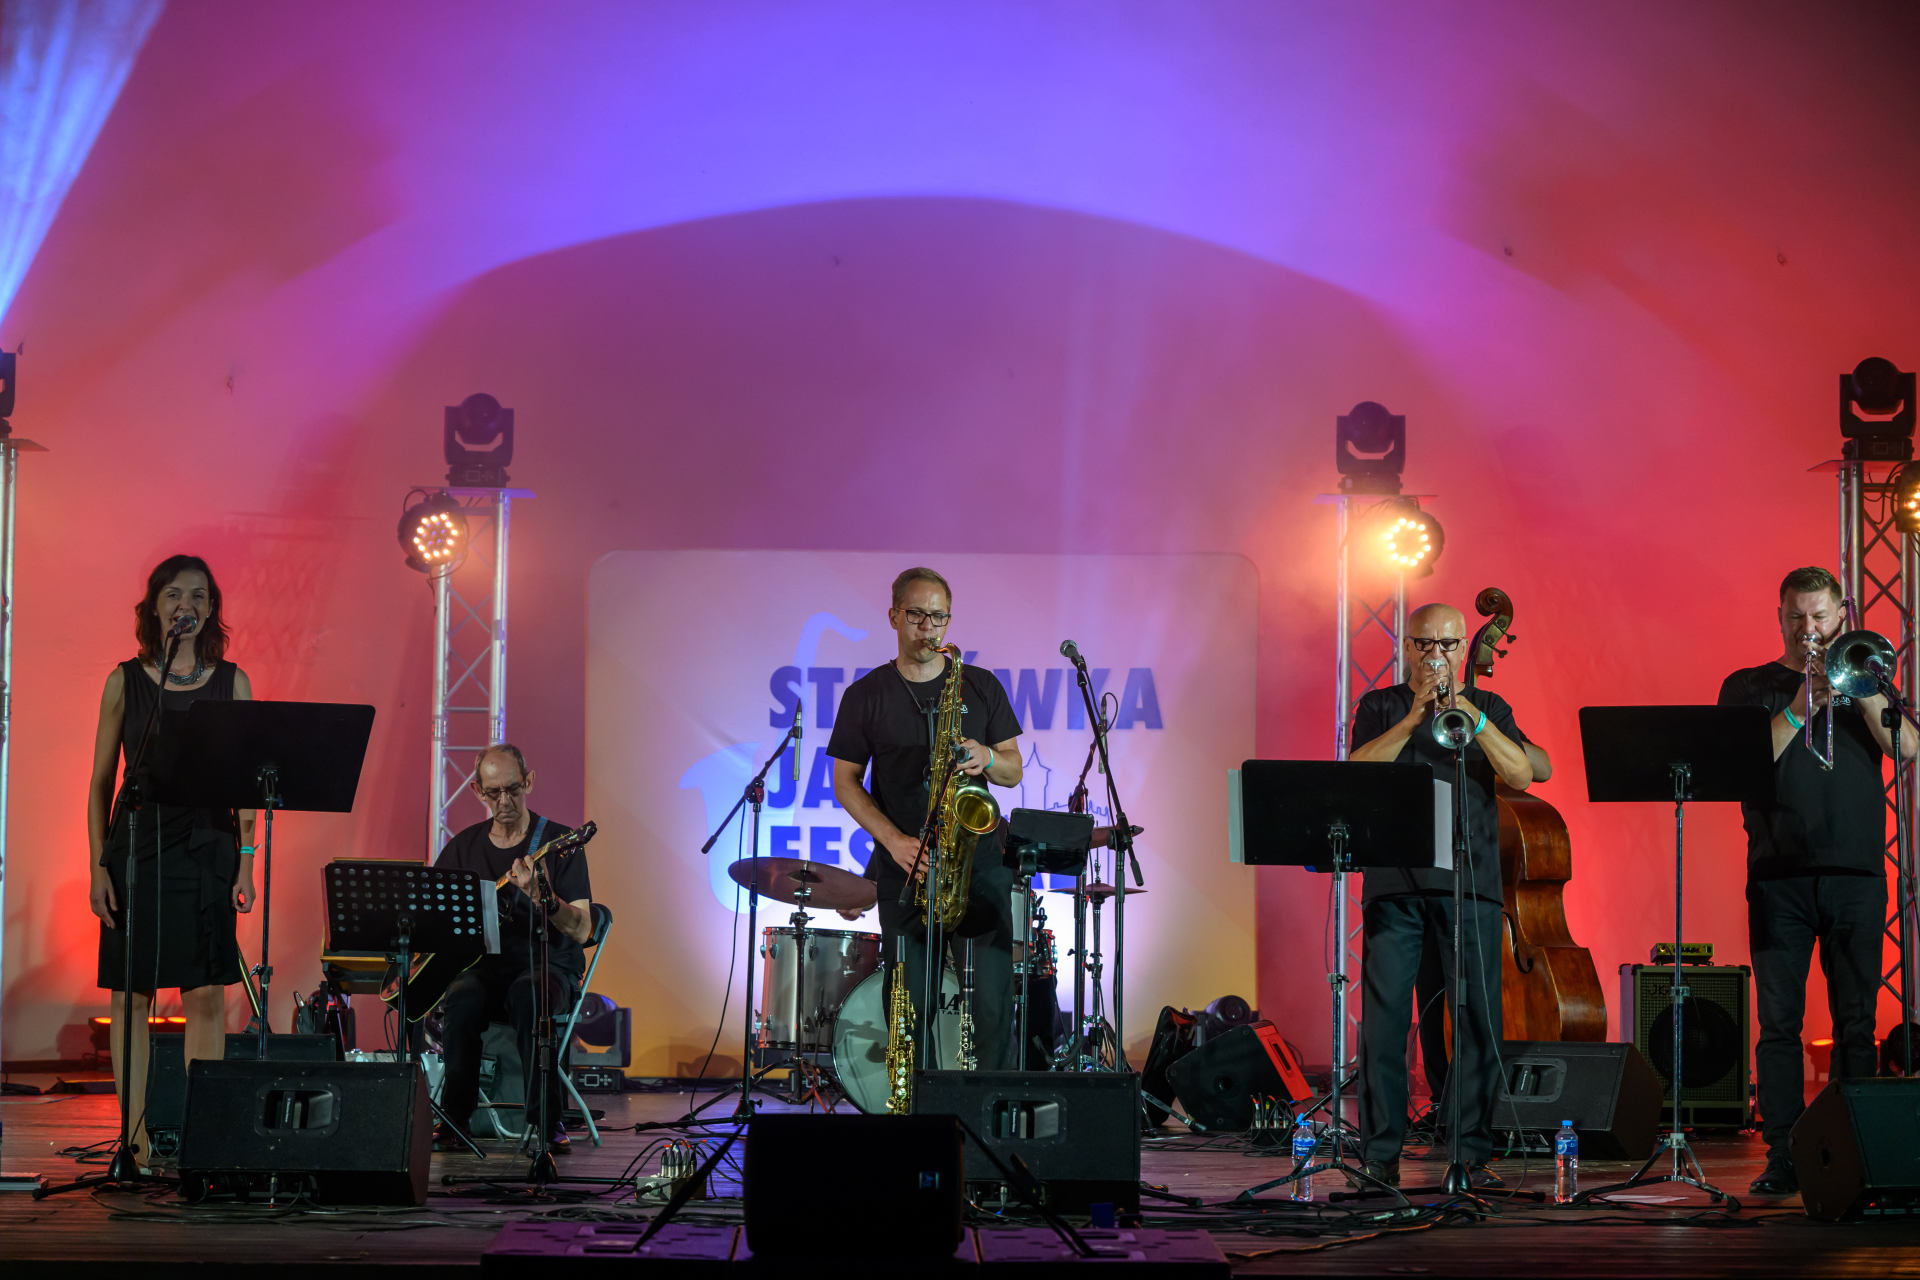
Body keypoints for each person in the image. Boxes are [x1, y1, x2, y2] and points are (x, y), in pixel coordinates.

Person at [1717, 566, 1909, 1197]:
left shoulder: (1866, 679)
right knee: (1779, 1025)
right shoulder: (1748, 685)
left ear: (1840, 617)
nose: (1809, 630)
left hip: (1856, 874)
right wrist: (1802, 706)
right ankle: (1784, 1153)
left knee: (1856, 1022)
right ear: (1780, 617)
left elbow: (1906, 748)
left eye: (1820, 617)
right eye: (1797, 617)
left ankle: (1857, 1149)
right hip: (1779, 875)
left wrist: (1862, 686)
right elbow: (1738, 766)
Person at [1349, 603, 1534, 1189]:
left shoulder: (1490, 708)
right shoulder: (1379, 706)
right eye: (1425, 644)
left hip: (1471, 882)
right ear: (1407, 647)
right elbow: (1356, 770)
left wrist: (1473, 717)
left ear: (1461, 648)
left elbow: (1523, 774)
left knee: (1477, 1021)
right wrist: (1412, 720)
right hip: (1394, 885)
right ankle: (1379, 1156)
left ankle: (1470, 1154)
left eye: (1449, 645)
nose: (1437, 655)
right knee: (1383, 1025)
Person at [87, 554, 257, 1168]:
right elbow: (101, 782)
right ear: (155, 607)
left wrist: (245, 861)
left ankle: (200, 1145)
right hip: (137, 847)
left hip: (207, 846)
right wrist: (97, 866)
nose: (187, 604)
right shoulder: (125, 682)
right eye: (174, 594)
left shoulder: (232, 683)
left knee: (204, 994)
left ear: (210, 610)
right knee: (131, 996)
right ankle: (132, 1145)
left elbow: (245, 785)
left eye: (200, 595)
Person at [829, 567, 1023, 1071]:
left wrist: (987, 757)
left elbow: (1013, 769)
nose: (928, 627)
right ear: (894, 616)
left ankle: (987, 1115)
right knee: (908, 1013)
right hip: (907, 867)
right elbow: (845, 782)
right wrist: (893, 841)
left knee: (993, 1010)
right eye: (916, 615)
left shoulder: (979, 685)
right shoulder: (866, 694)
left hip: (980, 867)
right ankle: (917, 1112)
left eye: (939, 617)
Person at [432, 744, 594, 1152]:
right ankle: (454, 1121)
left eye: (513, 789)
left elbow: (582, 929)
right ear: (477, 791)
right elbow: (436, 921)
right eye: (494, 792)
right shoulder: (462, 849)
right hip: (486, 970)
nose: (504, 801)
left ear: (529, 782)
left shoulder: (559, 843)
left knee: (528, 994)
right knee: (462, 996)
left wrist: (544, 898)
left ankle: (547, 1121)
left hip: (548, 967)